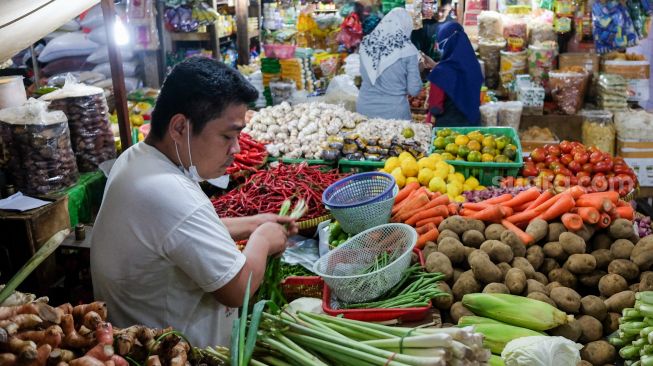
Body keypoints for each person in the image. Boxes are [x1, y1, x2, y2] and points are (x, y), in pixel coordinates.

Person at [90, 57, 298, 347]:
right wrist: (263, 239)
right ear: (179, 127)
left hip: (138, 338)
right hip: (175, 352)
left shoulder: (137, 158)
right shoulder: (170, 193)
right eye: (227, 135)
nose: (236, 148)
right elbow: (237, 289)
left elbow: (172, 235)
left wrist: (253, 223)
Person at [356, 8, 433, 120]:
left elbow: (367, 74)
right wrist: (419, 68)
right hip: (394, 114)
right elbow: (414, 90)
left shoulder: (366, 44)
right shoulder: (408, 50)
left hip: (365, 109)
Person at [427, 21, 483, 126]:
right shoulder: (474, 66)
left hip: (448, 131)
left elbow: (436, 108)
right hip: (473, 128)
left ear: (446, 43)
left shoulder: (440, 73)